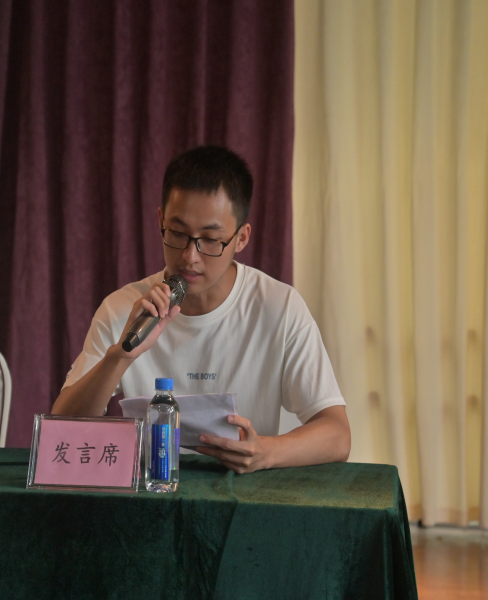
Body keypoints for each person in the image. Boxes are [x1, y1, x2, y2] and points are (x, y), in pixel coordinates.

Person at [52, 145, 350, 473]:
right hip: (154, 489)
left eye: (210, 239)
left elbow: (337, 435)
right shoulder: (125, 308)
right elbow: (61, 428)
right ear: (160, 221)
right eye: (178, 233)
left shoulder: (279, 307)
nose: (189, 257)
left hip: (244, 495)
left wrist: (264, 452)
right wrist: (120, 357)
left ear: (241, 238)